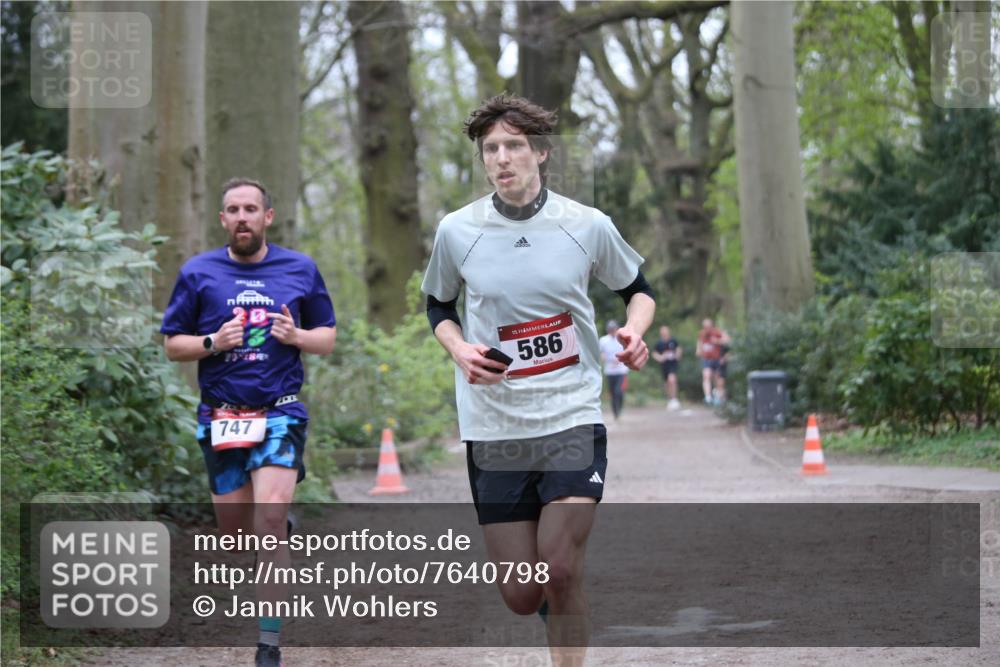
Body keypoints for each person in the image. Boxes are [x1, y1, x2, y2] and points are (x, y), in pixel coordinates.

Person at [421, 94, 654, 666]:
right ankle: (560, 605)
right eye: (491, 149)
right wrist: (459, 350)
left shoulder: (585, 224)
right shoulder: (458, 231)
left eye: (514, 146)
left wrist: (634, 330)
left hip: (570, 414)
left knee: (560, 562)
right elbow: (438, 307)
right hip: (495, 425)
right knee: (523, 594)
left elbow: (638, 289)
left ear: (541, 153)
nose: (502, 159)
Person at [161, 178, 336, 667]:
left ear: (267, 217)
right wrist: (214, 343)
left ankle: (268, 645)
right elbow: (174, 344)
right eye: (233, 210)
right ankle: (272, 527)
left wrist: (296, 335)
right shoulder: (198, 273)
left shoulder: (300, 269)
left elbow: (326, 337)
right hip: (221, 414)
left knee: (270, 521)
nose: (242, 217)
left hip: (280, 409)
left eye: (251, 209)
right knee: (238, 539)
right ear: (223, 220)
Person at [598, 320, 629, 420]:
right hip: (610, 371)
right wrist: (603, 357)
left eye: (613, 329)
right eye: (610, 329)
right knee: (612, 392)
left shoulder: (622, 338)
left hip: (621, 370)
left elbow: (627, 350)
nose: (612, 331)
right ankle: (615, 413)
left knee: (618, 391)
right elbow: (601, 352)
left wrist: (620, 359)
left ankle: (619, 409)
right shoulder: (603, 340)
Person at [652, 325, 682, 410]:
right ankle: (670, 399)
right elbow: (654, 353)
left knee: (672, 380)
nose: (664, 333)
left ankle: (674, 399)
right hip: (664, 366)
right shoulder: (659, 343)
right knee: (667, 383)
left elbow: (679, 349)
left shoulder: (673, 341)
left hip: (673, 364)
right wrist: (660, 358)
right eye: (662, 332)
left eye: (665, 331)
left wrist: (678, 355)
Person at [696, 318, 724, 405]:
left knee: (717, 379)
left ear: (711, 326)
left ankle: (717, 396)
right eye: (705, 326)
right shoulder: (702, 333)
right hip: (706, 359)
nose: (706, 328)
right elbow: (699, 343)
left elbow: (726, 340)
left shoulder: (717, 332)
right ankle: (708, 397)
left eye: (708, 326)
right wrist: (698, 350)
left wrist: (717, 341)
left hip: (716, 359)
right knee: (706, 376)